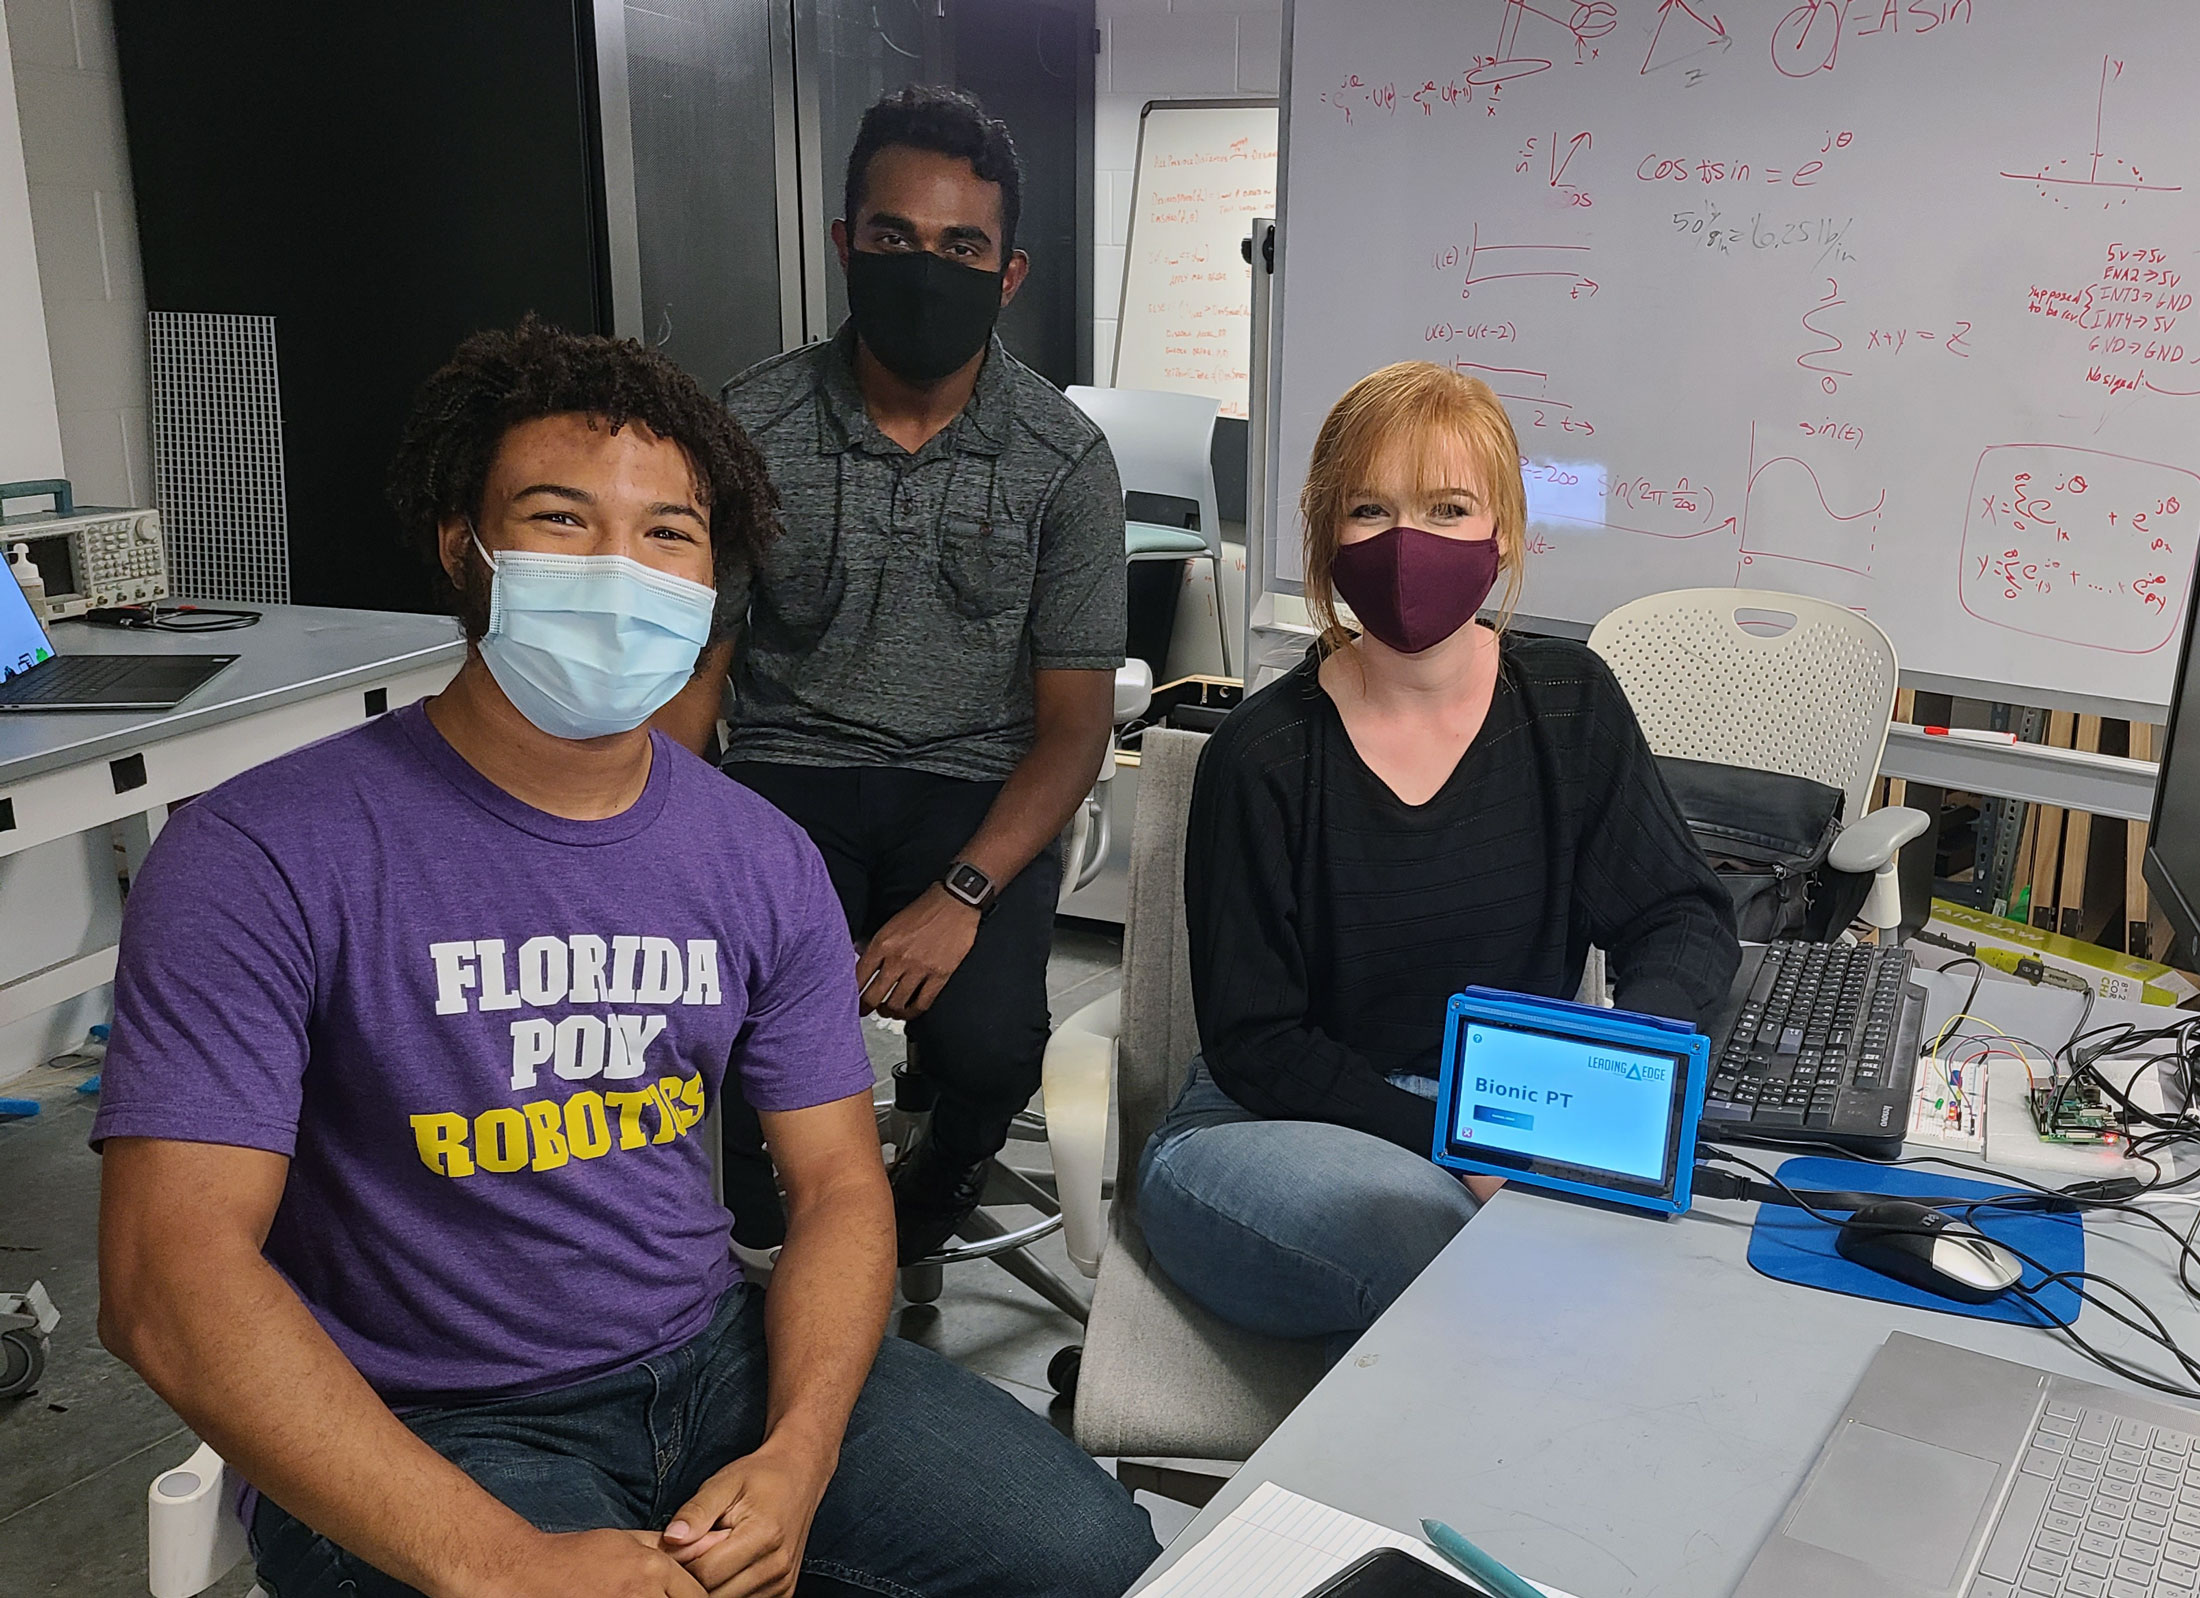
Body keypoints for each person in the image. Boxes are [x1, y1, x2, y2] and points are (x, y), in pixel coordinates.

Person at [93, 320, 1157, 1598]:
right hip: (430, 1413)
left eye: (667, 533)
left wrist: (801, 1449)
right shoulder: (258, 853)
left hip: (712, 1361)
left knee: (1094, 1555)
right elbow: (169, 1275)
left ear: (713, 578)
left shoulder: (757, 858)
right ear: (463, 547)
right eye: (558, 517)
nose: (619, 567)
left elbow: (831, 1188)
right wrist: (498, 1559)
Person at [1136, 361, 1740, 1356]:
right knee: (1462, 1254)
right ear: (1325, 538)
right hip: (1263, 1128)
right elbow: (1257, 1044)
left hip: (1508, 1103)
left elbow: (1678, 913)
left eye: (1448, 506)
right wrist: (1467, 1148)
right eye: (1369, 508)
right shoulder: (1264, 753)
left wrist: (1618, 1076)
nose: (1407, 541)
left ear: (1503, 532)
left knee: (1668, 1257)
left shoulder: (1568, 701)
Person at [657, 86, 1125, 1265]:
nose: (926, 267)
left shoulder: (1064, 461)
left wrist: (958, 897)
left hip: (973, 790)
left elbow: (1071, 730)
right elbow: (697, 675)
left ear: (1007, 272)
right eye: (893, 238)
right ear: (844, 245)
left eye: (961, 246)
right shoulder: (747, 424)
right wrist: (657, 850)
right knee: (705, 1015)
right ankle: (753, 1208)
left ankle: (940, 1173)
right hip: (781, 775)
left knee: (988, 1047)